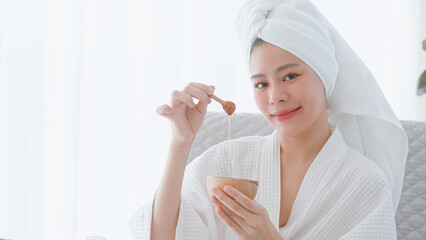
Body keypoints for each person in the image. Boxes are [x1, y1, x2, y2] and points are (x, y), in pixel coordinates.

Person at [129, 0, 408, 239]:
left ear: (324, 75)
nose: (275, 96)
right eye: (261, 84)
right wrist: (180, 142)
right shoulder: (226, 164)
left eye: (290, 76)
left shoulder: (365, 184)